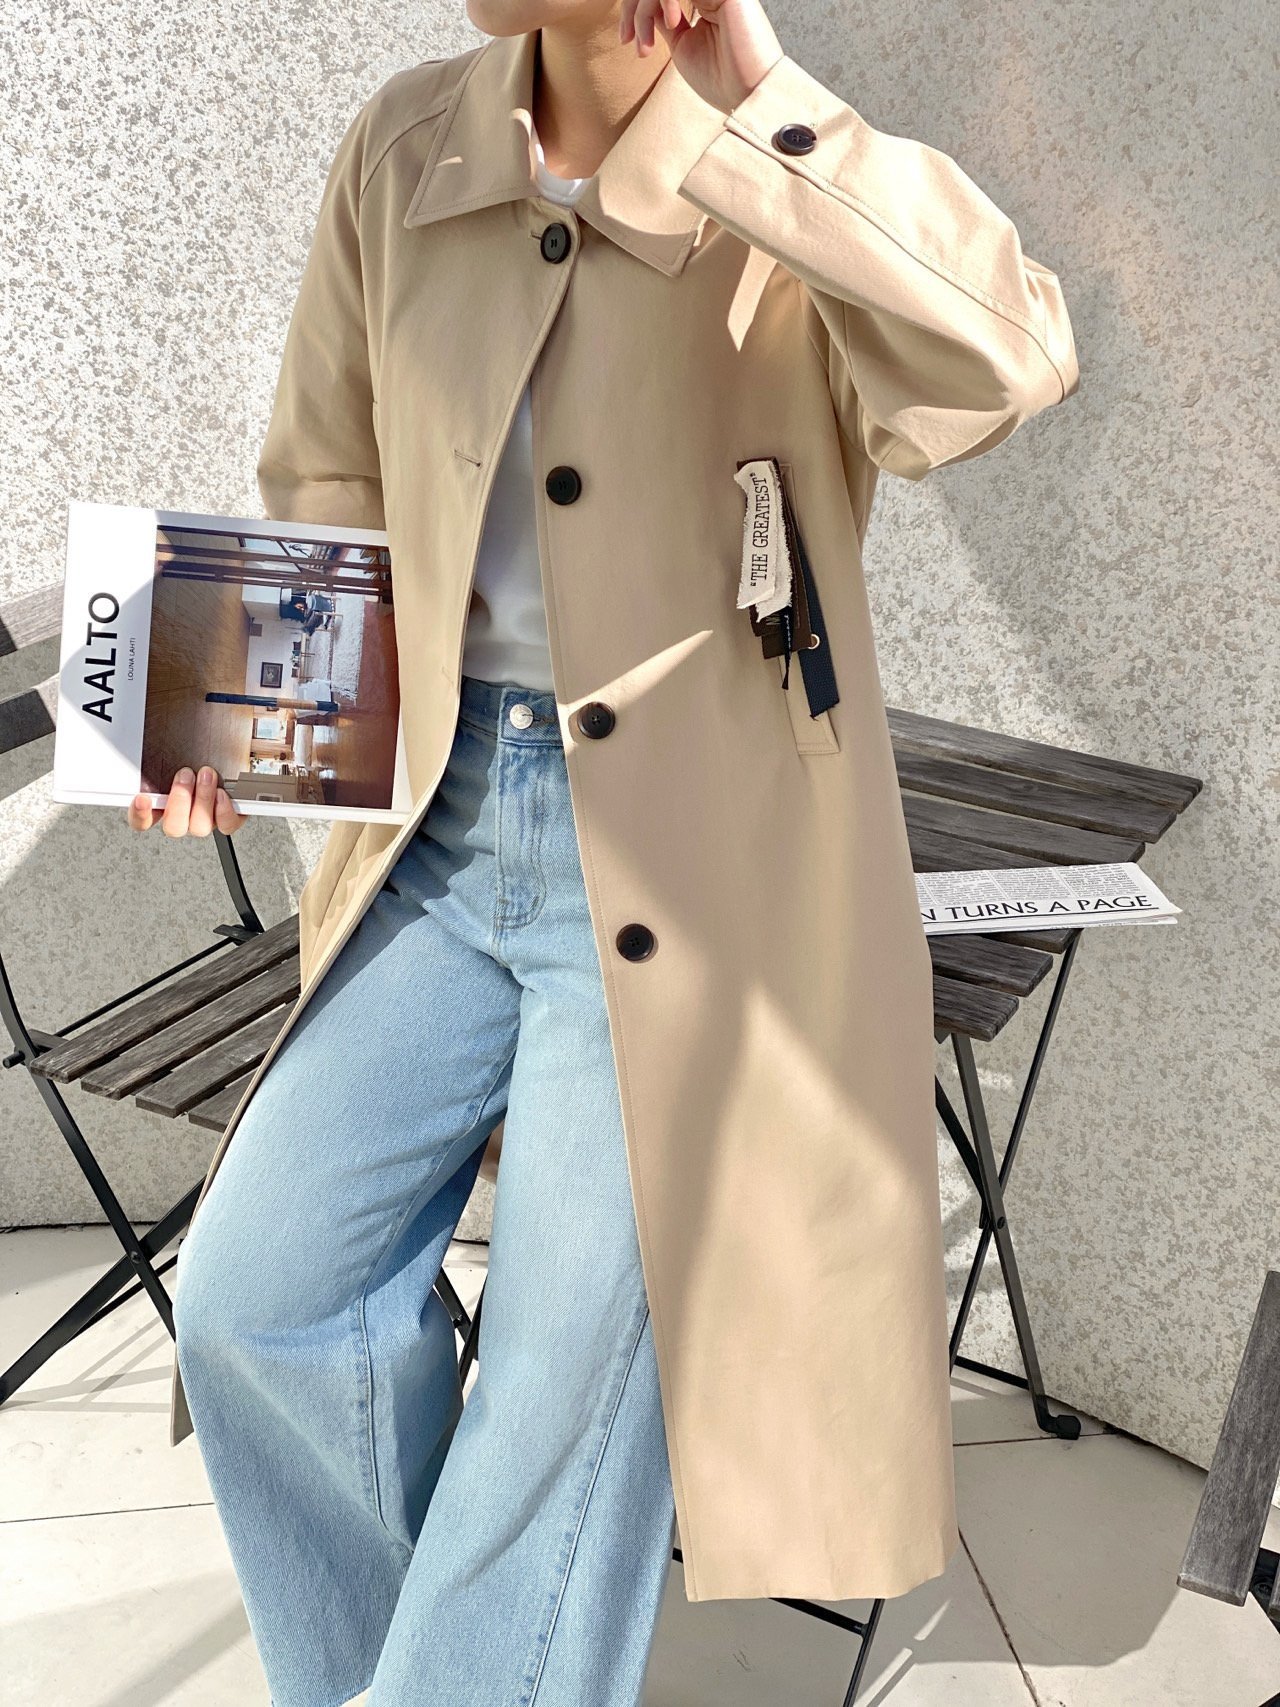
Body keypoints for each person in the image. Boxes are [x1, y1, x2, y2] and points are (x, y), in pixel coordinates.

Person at [132, 0, 1079, 1702]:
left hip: (690, 875)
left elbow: (1008, 364)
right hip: (433, 838)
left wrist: (762, 98)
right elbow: (329, 483)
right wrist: (236, 723)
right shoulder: (407, 145)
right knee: (261, 1298)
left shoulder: (774, 177)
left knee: (561, 1396)